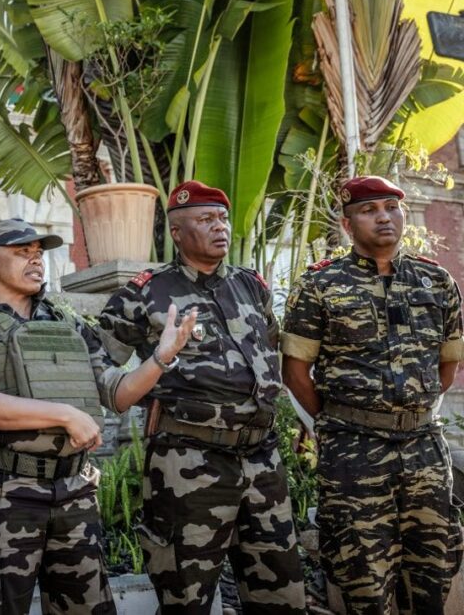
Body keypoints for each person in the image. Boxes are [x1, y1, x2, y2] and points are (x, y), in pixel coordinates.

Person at [0, 218, 197, 614]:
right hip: (7, 493)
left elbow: (116, 393)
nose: (35, 261)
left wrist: (162, 357)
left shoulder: (66, 321)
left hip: (73, 492)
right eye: (21, 253)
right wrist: (64, 415)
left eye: (38, 253)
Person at [99, 181, 306, 614]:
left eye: (223, 218)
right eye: (206, 219)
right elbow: (99, 364)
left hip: (262, 459)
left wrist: (306, 419)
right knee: (186, 597)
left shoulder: (251, 286)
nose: (221, 227)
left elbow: (273, 354)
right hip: (188, 464)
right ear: (177, 232)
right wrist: (150, 367)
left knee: (281, 595)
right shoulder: (146, 293)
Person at [281, 175, 464, 614]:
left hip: (424, 447)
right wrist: (339, 421)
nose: (383, 217)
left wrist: (409, 412)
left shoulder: (436, 281)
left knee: (433, 568)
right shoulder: (320, 285)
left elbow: (448, 366)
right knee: (361, 573)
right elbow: (295, 372)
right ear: (347, 225)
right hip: (353, 450)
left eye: (391, 207)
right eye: (368, 210)